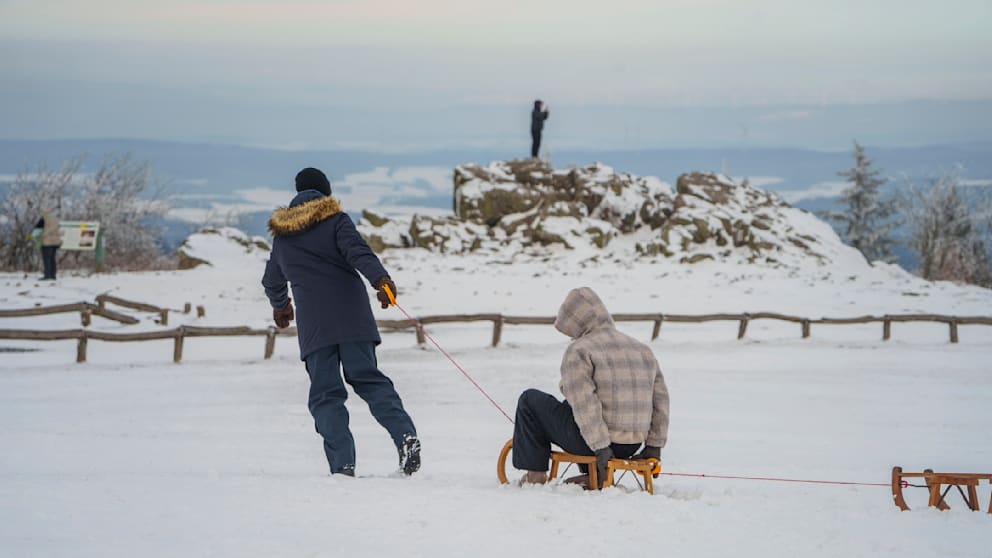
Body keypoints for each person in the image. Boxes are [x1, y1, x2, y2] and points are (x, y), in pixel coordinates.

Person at [261, 167, 420, 477]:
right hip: (353, 319)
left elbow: (271, 280)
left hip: (315, 329)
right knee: (370, 381)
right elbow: (359, 253)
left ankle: (342, 466)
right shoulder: (336, 221)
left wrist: (281, 306)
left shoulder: (282, 239)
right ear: (325, 193)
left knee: (325, 395)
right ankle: (405, 435)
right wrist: (381, 280)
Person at [513, 287, 670, 488]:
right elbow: (660, 401)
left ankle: (534, 476)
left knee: (530, 400)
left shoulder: (580, 349)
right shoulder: (641, 349)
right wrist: (654, 446)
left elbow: (585, 403)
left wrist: (601, 448)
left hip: (597, 447)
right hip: (631, 445)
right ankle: (592, 475)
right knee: (583, 408)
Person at [34, 209, 62, 280]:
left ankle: (47, 275)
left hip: (47, 242)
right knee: (52, 259)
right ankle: (53, 275)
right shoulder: (56, 219)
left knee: (47, 259)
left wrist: (34, 237)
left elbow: (37, 230)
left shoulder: (43, 219)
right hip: (56, 242)